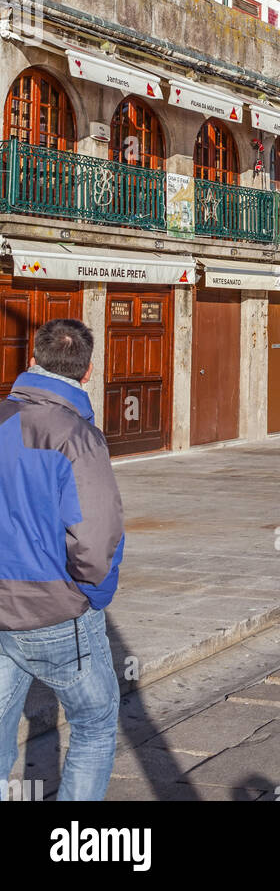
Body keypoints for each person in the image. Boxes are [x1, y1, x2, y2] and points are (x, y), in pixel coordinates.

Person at [0, 320, 124, 801]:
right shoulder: (76, 435)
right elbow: (97, 538)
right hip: (54, 611)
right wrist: (92, 596)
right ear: (87, 371)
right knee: (93, 721)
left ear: (33, 358)